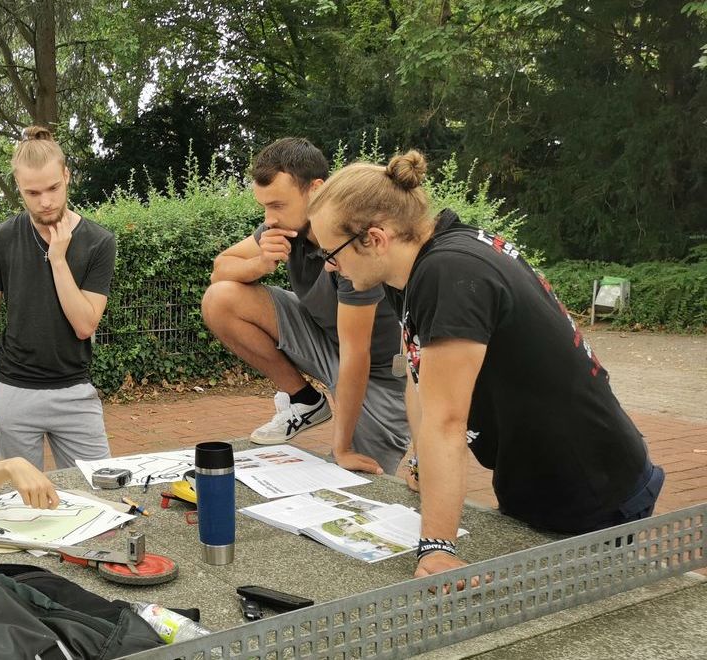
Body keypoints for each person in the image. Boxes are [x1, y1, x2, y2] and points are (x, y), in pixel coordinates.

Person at [306, 150, 663, 581]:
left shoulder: (448, 273)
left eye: (333, 252)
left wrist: (437, 547)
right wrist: (421, 464)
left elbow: (446, 420)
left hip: (591, 488)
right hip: (537, 479)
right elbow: (419, 380)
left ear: (376, 238)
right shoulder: (413, 268)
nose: (330, 267)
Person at [201, 138, 409, 475]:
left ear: (316, 190)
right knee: (221, 298)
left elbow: (357, 356)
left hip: (377, 372)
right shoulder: (283, 227)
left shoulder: (351, 240)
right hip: (324, 337)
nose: (269, 218)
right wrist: (260, 264)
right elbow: (220, 269)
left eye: (278, 205)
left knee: (356, 481)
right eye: (264, 207)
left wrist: (341, 448)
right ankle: (304, 400)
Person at [0, 126, 117, 470]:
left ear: (66, 175)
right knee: (18, 504)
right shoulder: (1, 240)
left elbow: (84, 325)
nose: (46, 201)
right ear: (18, 188)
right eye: (32, 193)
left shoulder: (99, 241)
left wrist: (57, 259)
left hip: (75, 394)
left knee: (98, 493)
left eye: (53, 188)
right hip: (11, 394)